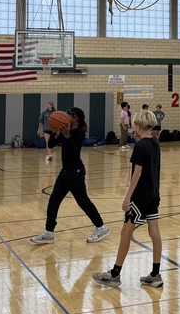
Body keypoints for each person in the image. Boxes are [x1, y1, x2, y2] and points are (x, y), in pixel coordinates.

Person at [93, 110, 162, 288]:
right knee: (154, 232)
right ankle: (155, 274)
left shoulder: (140, 146)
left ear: (138, 126)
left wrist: (127, 197)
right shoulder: (155, 142)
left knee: (125, 234)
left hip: (140, 197)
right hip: (154, 194)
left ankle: (115, 274)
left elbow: (137, 173)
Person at [30, 107, 110, 245]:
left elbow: (74, 152)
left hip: (76, 171)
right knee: (53, 200)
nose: (66, 115)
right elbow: (50, 144)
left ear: (76, 118)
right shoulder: (63, 130)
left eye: (70, 114)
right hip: (65, 171)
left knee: (83, 201)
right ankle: (49, 232)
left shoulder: (79, 133)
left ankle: (101, 227)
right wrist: (55, 132)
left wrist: (66, 136)